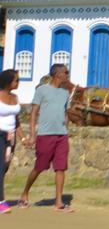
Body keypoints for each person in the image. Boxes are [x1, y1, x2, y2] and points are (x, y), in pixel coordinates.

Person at [19, 63, 73, 212]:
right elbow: (34, 113)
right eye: (65, 72)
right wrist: (32, 134)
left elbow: (66, 113)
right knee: (39, 167)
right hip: (45, 134)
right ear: (57, 74)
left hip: (61, 135)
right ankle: (25, 193)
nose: (67, 75)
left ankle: (59, 202)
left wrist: (66, 129)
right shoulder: (42, 90)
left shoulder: (65, 93)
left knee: (61, 167)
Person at [1, 68, 30, 214]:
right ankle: (1, 202)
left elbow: (16, 121)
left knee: (5, 167)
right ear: (8, 82)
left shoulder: (15, 98)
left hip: (11, 137)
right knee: (0, 167)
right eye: (16, 80)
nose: (18, 82)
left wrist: (23, 137)